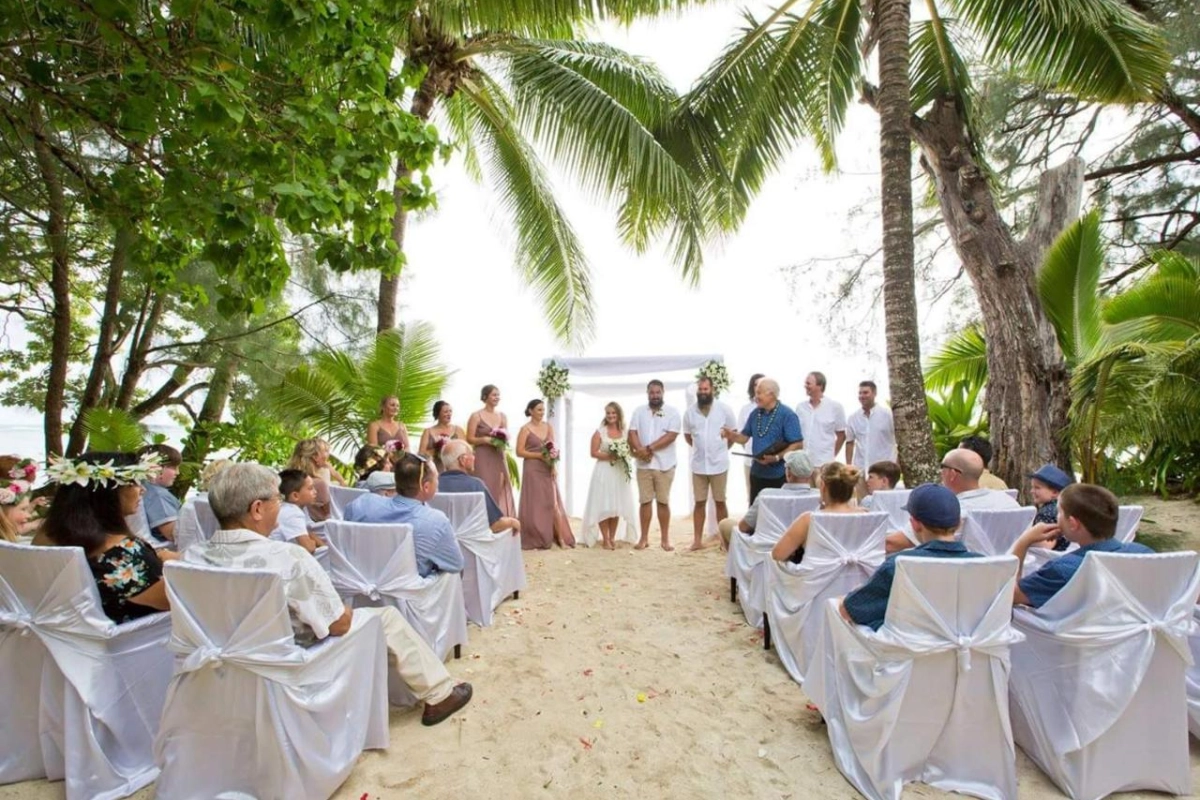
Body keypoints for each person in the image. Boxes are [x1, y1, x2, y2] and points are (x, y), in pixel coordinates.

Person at [184, 462, 472, 726]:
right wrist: (343, 610)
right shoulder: (286, 557)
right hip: (287, 661)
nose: (281, 507)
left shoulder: (190, 558)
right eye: (278, 499)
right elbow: (338, 624)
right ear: (257, 509)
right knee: (386, 618)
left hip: (225, 664)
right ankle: (439, 694)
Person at [42, 451, 178, 623]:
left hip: (74, 634)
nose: (142, 490)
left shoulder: (51, 536)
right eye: (134, 483)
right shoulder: (121, 553)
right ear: (109, 493)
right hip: (139, 641)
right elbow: (173, 600)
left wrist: (157, 556)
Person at [840, 484, 982, 630]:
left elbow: (849, 611)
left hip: (907, 650)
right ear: (959, 523)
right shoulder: (985, 566)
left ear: (914, 524)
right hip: (969, 649)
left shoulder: (899, 565)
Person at [1011, 483, 1152, 608]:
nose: (1056, 517)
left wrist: (1023, 542)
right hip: (1129, 635)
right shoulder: (1144, 554)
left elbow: (1008, 596)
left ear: (1073, 523)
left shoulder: (1061, 569)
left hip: (1066, 636)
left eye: (1059, 512)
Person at [345, 453, 465, 578]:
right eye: (436, 478)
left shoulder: (361, 504)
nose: (438, 482)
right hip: (411, 593)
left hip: (362, 584)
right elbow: (456, 565)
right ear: (426, 487)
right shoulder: (435, 521)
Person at [721, 377, 803, 503]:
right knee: (755, 513)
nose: (755, 396)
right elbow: (744, 438)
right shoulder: (755, 414)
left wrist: (776, 457)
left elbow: (798, 444)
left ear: (770, 394)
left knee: (778, 514)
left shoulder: (787, 415)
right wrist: (731, 435)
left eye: (759, 393)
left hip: (780, 475)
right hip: (757, 474)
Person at [717, 450, 816, 549]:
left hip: (767, 547)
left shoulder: (766, 495)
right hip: (805, 549)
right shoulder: (819, 496)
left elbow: (743, 527)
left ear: (788, 473)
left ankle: (736, 560)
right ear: (810, 474)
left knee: (724, 524)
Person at [772, 462, 866, 563]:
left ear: (822, 486)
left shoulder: (808, 519)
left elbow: (778, 554)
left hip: (816, 577)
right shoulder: (866, 516)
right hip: (858, 578)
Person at [628, 380, 683, 552]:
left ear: (663, 392)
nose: (655, 396)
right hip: (644, 465)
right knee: (644, 501)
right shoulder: (639, 411)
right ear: (647, 393)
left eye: (658, 392)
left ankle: (665, 539)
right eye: (652, 392)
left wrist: (650, 448)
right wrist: (639, 450)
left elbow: (671, 435)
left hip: (665, 464)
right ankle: (643, 538)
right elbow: (632, 432)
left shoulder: (672, 412)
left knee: (663, 501)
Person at [683, 377, 737, 550]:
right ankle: (697, 540)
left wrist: (720, 449)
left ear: (712, 390)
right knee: (699, 502)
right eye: (700, 389)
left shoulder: (724, 409)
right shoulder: (690, 412)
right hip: (698, 465)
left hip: (719, 464)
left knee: (720, 501)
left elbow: (733, 434)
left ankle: (725, 541)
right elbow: (687, 436)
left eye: (706, 389)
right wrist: (701, 449)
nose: (703, 392)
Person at [516, 399, 575, 550]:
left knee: (552, 503)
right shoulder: (525, 429)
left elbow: (553, 448)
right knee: (535, 503)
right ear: (530, 411)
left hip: (547, 468)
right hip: (532, 468)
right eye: (538, 410)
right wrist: (538, 456)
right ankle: (536, 536)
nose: (542, 413)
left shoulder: (548, 427)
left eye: (543, 410)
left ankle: (560, 538)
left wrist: (553, 465)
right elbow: (519, 451)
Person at [581, 402, 638, 550]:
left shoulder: (625, 432)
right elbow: (593, 453)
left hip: (619, 472)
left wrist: (623, 455)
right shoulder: (600, 432)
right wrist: (610, 456)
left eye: (614, 413)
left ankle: (612, 537)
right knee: (603, 505)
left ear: (619, 414)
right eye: (608, 413)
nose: (611, 416)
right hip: (603, 471)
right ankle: (605, 538)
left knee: (616, 506)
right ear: (605, 415)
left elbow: (631, 450)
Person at [438, 440, 521, 534]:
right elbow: (494, 524)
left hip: (440, 542)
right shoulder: (475, 485)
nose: (474, 458)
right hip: (471, 544)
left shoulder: (433, 486)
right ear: (462, 460)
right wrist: (513, 522)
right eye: (471, 455)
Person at [465, 384, 517, 518]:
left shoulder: (503, 416)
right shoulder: (476, 416)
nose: (497, 397)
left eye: (498, 395)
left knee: (498, 487)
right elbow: (469, 438)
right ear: (485, 397)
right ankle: (482, 519)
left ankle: (497, 519)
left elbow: (505, 438)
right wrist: (485, 440)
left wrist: (503, 447)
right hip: (482, 456)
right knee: (484, 487)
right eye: (494, 395)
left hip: (498, 456)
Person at [845, 381, 896, 497]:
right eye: (860, 393)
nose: (862, 396)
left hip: (883, 473)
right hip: (861, 472)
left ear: (874, 393)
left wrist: (896, 465)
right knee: (863, 506)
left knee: (883, 505)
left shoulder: (888, 415)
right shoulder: (853, 418)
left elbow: (898, 441)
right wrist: (848, 466)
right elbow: (849, 443)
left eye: (865, 393)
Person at [941, 448, 1020, 511]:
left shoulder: (952, 511)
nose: (940, 471)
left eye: (942, 466)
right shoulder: (1008, 501)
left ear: (952, 474)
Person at [795, 371, 846, 465]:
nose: (805, 386)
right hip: (802, 464)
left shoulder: (835, 407)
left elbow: (841, 435)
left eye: (808, 383)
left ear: (820, 386)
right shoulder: (800, 407)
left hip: (823, 464)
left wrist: (831, 456)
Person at [271, 469, 323, 554]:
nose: (315, 492)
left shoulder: (284, 507)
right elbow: (309, 548)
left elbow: (306, 531)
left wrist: (323, 545)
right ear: (295, 496)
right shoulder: (293, 512)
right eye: (310, 488)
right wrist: (312, 543)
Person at [287, 438, 339, 522]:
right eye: (325, 451)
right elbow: (331, 512)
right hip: (319, 529)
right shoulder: (318, 483)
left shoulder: (289, 479)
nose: (328, 455)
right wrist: (336, 475)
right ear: (315, 457)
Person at [139, 443, 182, 542]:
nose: (177, 473)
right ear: (157, 467)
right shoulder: (158, 495)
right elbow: (172, 534)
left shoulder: (142, 487)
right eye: (174, 467)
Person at [736, 373, 765, 495]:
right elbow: (741, 435)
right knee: (752, 495)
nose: (758, 387)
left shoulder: (774, 408)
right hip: (750, 459)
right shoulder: (746, 409)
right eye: (755, 384)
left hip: (770, 461)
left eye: (761, 384)